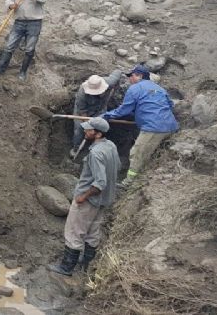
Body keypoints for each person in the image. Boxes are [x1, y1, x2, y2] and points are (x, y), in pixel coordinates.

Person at [48, 117, 118, 276]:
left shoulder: (95, 153)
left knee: (74, 232)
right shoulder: (111, 146)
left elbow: (100, 182)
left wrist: (83, 197)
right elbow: (115, 169)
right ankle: (86, 264)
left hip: (89, 200)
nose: (85, 131)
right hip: (104, 200)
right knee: (93, 233)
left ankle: (66, 268)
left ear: (98, 134)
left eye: (89, 130)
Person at [100, 65, 178, 188]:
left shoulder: (135, 88)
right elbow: (170, 104)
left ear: (140, 76)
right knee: (149, 151)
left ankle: (129, 183)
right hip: (171, 125)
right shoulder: (160, 88)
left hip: (153, 128)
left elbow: (123, 110)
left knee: (137, 153)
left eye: (131, 76)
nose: (129, 78)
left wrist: (105, 116)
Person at [70, 70, 123, 157]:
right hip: (83, 112)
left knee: (101, 129)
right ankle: (76, 148)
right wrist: (88, 127)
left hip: (100, 110)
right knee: (79, 129)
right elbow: (82, 111)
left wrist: (116, 88)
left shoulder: (109, 82)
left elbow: (117, 72)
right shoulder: (82, 93)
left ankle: (97, 150)